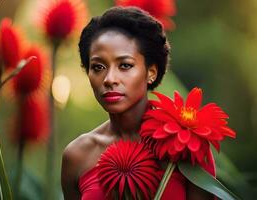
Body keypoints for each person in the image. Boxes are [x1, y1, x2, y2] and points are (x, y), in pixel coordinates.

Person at [61, 6, 215, 200]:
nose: (109, 79)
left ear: (151, 72)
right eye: (98, 67)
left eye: (125, 65)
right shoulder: (77, 156)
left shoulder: (187, 142)